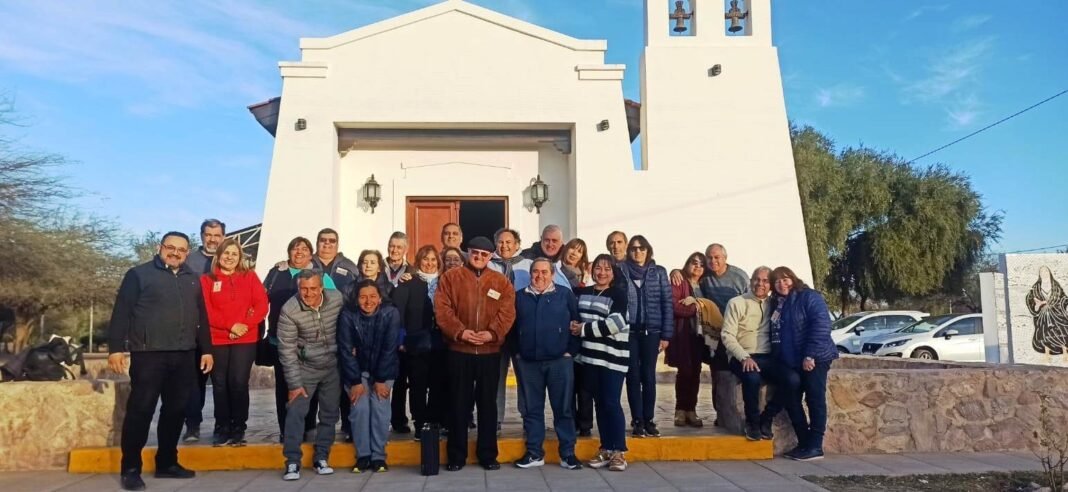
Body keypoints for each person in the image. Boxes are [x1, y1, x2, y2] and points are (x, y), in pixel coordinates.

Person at [108, 232, 214, 491]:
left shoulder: (192, 279)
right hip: (149, 354)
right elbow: (121, 312)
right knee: (141, 411)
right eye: (170, 247)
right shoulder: (139, 274)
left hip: (183, 354)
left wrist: (207, 350)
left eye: (181, 249)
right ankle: (131, 468)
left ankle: (167, 462)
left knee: (175, 411)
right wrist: (115, 349)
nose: (175, 253)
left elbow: (201, 316)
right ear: (160, 248)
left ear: (187, 253)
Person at [434, 236, 516, 471]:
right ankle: (456, 456)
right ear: (468, 253)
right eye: (475, 253)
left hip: (490, 352)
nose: (479, 257)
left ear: (491, 257)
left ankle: (488, 454)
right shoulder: (451, 278)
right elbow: (443, 309)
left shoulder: (501, 282)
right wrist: (461, 332)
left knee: (487, 405)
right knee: (459, 403)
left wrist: (493, 334)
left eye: (484, 254)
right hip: (460, 350)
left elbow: (507, 312)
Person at [512, 259, 583, 470]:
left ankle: (568, 454)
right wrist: (517, 352)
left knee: (563, 409)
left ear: (552, 274)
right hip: (528, 363)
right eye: (535, 271)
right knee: (532, 410)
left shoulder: (564, 294)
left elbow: (577, 322)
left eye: (544, 272)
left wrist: (571, 350)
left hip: (560, 361)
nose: (539, 276)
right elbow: (511, 328)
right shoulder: (519, 297)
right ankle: (534, 453)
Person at [263, 237, 336, 441]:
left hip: (311, 343)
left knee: (309, 386)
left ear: (311, 253)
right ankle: (286, 430)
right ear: (289, 252)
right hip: (281, 340)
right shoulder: (277, 273)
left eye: (304, 249)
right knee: (284, 387)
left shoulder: (322, 276)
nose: (299, 252)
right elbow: (261, 298)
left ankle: (308, 426)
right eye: (295, 248)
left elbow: (332, 307)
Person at [199, 238, 268, 447]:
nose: (230, 257)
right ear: (218, 255)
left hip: (245, 338)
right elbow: (206, 310)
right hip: (217, 338)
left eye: (234, 254)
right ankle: (222, 426)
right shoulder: (207, 280)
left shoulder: (249, 277)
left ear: (239, 258)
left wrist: (244, 325)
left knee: (238, 383)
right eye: (226, 253)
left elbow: (261, 304)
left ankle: (238, 426)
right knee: (219, 385)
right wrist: (230, 326)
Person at [277, 271, 344, 481]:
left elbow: (351, 320)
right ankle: (292, 462)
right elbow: (286, 351)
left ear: (322, 287)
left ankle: (321, 458)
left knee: (329, 414)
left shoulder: (337, 298)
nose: (308, 293)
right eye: (303, 289)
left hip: (333, 366)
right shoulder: (289, 310)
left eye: (313, 288)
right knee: (296, 413)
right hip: (305, 368)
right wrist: (295, 384)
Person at [769, 266, 838, 461]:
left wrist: (810, 355)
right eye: (777, 281)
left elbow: (821, 325)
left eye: (785, 279)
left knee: (815, 399)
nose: (781, 284)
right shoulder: (778, 303)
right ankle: (805, 442)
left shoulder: (809, 297)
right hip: (792, 361)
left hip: (815, 358)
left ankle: (815, 445)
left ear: (793, 278)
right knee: (791, 399)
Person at [721, 266, 796, 441]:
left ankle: (767, 418)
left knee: (793, 379)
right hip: (741, 355)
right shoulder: (736, 303)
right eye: (757, 279)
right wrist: (744, 357)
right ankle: (753, 423)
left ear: (770, 285)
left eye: (765, 281)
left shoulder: (775, 305)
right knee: (752, 377)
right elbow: (727, 335)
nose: (760, 284)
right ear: (750, 280)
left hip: (767, 357)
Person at [574, 254, 630, 471]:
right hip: (589, 359)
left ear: (613, 273)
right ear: (592, 270)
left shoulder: (619, 295)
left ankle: (619, 452)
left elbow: (615, 323)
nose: (602, 272)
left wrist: (584, 329)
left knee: (611, 403)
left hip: (612, 360)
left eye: (607, 269)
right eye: (598, 268)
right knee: (600, 405)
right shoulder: (584, 293)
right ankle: (606, 447)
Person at [339, 279, 401, 473]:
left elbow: (389, 348)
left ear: (380, 298)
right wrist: (356, 382)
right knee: (360, 407)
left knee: (380, 408)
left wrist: (381, 380)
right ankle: (363, 455)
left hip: (383, 370)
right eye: (363, 297)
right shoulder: (347, 315)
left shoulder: (391, 314)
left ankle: (378, 456)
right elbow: (346, 350)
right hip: (357, 371)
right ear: (356, 299)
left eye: (373, 296)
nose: (368, 301)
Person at [617, 235, 673, 438]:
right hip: (629, 332)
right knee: (632, 376)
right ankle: (637, 420)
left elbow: (667, 304)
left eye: (641, 248)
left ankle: (649, 419)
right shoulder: (621, 271)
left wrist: (666, 334)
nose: (637, 252)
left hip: (652, 332)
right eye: (633, 249)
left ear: (648, 250)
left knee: (648, 376)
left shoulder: (658, 273)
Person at [392, 245, 448, 440]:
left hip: (441, 342)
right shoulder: (408, 282)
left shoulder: (445, 282)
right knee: (418, 385)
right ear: (418, 261)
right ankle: (420, 422)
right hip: (416, 343)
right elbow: (398, 313)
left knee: (438, 383)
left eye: (433, 260)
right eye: (426, 259)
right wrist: (401, 339)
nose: (430, 263)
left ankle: (434, 420)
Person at [181, 218, 225, 444]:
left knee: (221, 382)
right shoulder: (190, 261)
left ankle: (222, 425)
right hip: (196, 329)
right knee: (194, 381)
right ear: (202, 236)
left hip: (222, 332)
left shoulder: (229, 260)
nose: (213, 239)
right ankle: (192, 425)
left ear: (223, 238)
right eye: (209, 235)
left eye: (217, 235)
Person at [667, 252, 707, 428]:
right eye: (694, 262)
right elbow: (673, 305)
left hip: (701, 335)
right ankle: (680, 410)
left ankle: (691, 410)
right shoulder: (679, 281)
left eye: (701, 264)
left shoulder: (704, 284)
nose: (697, 266)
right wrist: (696, 309)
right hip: (683, 333)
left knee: (696, 371)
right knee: (685, 371)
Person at [558, 238, 594, 436]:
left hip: (586, 333)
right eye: (572, 248)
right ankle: (569, 421)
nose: (574, 253)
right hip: (564, 334)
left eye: (579, 251)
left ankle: (586, 423)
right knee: (567, 384)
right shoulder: (555, 271)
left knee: (585, 383)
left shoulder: (588, 276)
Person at [312, 228, 359, 295]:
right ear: (317, 243)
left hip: (342, 305)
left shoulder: (349, 266)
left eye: (332, 241)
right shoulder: (306, 263)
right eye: (323, 240)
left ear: (337, 245)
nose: (327, 243)